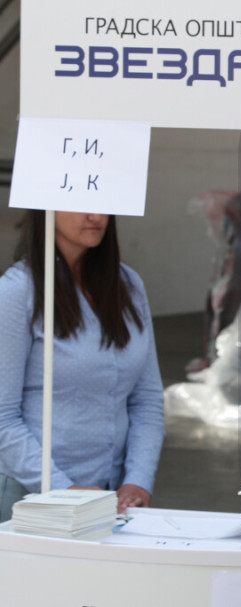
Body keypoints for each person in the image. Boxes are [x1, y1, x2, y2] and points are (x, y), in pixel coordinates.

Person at [0, 210, 166, 522]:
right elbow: (2, 417)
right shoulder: (17, 290)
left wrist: (138, 480)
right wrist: (66, 491)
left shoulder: (129, 285)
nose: (95, 215)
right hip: (27, 497)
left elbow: (147, 398)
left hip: (110, 499)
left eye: (103, 202)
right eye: (80, 201)